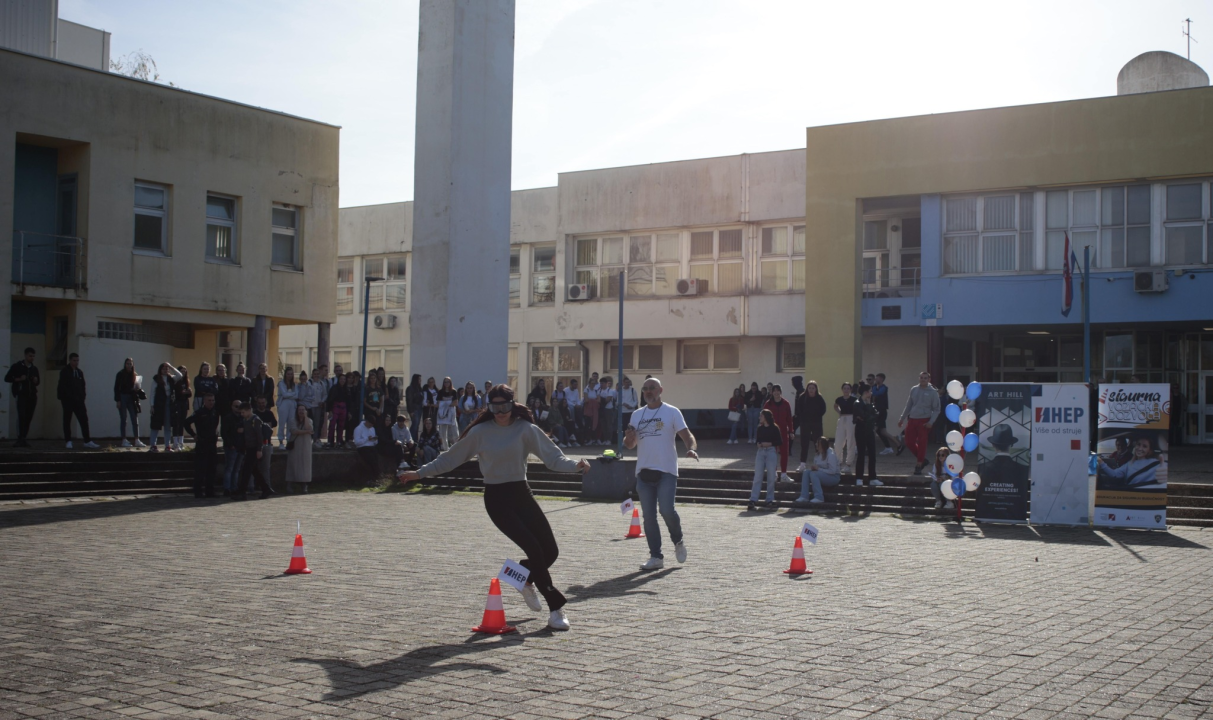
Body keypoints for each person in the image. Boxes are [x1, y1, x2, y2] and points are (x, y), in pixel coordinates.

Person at [399, 384, 591, 631]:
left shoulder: (526, 429)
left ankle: (521, 577)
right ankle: (556, 609)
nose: (501, 412)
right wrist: (419, 473)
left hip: (521, 493)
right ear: (488, 407)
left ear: (513, 405)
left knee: (550, 551)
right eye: (495, 407)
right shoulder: (480, 432)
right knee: (533, 547)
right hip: (496, 499)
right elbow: (450, 458)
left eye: (505, 406)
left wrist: (577, 465)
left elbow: (554, 458)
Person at [624, 377, 697, 571]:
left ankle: (678, 540)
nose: (648, 391)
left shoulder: (672, 412)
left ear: (660, 390)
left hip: (666, 471)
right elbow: (630, 445)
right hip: (644, 473)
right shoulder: (636, 415)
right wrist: (628, 439)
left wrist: (691, 448)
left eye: (652, 388)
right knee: (649, 516)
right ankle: (656, 557)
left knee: (666, 510)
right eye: (645, 389)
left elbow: (687, 435)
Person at [898, 370, 941, 474]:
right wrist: (902, 418)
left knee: (922, 443)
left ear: (929, 380)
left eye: (925, 378)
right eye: (921, 377)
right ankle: (923, 460)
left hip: (924, 421)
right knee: (909, 442)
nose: (923, 379)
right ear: (919, 378)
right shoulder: (914, 389)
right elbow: (908, 405)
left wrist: (931, 422)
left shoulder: (933, 392)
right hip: (912, 419)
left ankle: (919, 463)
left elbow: (936, 409)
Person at [57, 353, 98, 449]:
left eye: (77, 360)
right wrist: (65, 398)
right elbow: (62, 386)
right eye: (74, 360)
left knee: (84, 420)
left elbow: (83, 386)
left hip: (79, 401)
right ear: (70, 360)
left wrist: (82, 397)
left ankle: (87, 440)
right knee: (67, 420)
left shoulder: (79, 372)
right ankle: (68, 441)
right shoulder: (65, 371)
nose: (76, 362)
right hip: (68, 401)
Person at [183, 394, 220, 498]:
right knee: (200, 469)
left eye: (213, 400)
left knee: (212, 469)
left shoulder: (215, 412)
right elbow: (186, 423)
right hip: (202, 443)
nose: (211, 402)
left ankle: (210, 491)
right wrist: (194, 435)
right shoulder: (199, 412)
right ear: (204, 401)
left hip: (212, 444)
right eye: (209, 400)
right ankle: (198, 491)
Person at [234, 402, 271, 500]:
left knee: (246, 471)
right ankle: (266, 489)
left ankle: (242, 492)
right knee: (254, 470)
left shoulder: (255, 420)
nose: (242, 414)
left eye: (243, 412)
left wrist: (259, 449)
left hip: (254, 448)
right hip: (249, 447)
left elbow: (259, 436)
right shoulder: (246, 419)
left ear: (249, 410)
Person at [1098, 434, 1163, 488]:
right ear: (1135, 446)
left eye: (1144, 446)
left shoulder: (1156, 463)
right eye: (1138, 444)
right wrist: (1101, 462)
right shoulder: (1129, 464)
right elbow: (1114, 474)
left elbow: (1162, 473)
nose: (1140, 448)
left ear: (1149, 450)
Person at [5, 347, 40, 447]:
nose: (32, 358)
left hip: (32, 395)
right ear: (25, 355)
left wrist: (35, 381)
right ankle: (20, 437)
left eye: (33, 356)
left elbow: (38, 382)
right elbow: (7, 378)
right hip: (21, 395)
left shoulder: (34, 368)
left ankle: (24, 437)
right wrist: (18, 379)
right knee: (21, 416)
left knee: (28, 417)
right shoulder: (17, 366)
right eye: (30, 356)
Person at [748, 409, 782, 511]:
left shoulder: (775, 428)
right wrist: (758, 444)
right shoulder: (760, 428)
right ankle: (753, 499)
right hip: (761, 452)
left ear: (766, 417)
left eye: (761, 416)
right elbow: (758, 440)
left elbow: (779, 441)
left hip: (771, 451)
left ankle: (770, 499)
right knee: (758, 475)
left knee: (771, 476)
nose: (760, 418)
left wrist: (770, 444)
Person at [794, 436, 841, 506]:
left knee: (814, 474)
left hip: (834, 477)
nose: (816, 445)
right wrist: (814, 468)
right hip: (823, 474)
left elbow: (833, 471)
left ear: (822, 445)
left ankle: (819, 497)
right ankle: (804, 496)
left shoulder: (831, 455)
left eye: (818, 444)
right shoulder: (818, 454)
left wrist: (818, 469)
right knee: (806, 472)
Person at [852, 384, 883, 486]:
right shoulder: (857, 403)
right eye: (870, 391)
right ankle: (859, 477)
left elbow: (876, 415)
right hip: (860, 430)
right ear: (866, 392)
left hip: (869, 430)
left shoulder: (870, 403)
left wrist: (869, 410)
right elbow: (864, 416)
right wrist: (868, 415)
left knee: (872, 454)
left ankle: (872, 477)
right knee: (861, 454)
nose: (871, 393)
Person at [763, 384, 794, 483]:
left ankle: (784, 474)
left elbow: (789, 419)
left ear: (780, 391)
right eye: (774, 391)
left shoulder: (786, 403)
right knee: (772, 453)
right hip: (772, 432)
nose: (776, 392)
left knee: (784, 453)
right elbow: (763, 418)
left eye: (778, 390)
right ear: (771, 392)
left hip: (784, 431)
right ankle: (774, 474)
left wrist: (791, 431)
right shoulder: (768, 404)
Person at [149, 363, 182, 452]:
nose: (165, 370)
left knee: (168, 425)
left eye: (167, 369)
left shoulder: (171, 379)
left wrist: (171, 366)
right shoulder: (156, 379)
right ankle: (153, 445)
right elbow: (152, 393)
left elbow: (180, 375)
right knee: (155, 425)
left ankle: (167, 446)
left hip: (169, 403)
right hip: (159, 404)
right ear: (160, 370)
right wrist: (152, 405)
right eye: (163, 369)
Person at [794, 380, 826, 470]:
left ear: (816, 389)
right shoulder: (802, 397)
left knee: (818, 443)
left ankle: (819, 463)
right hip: (805, 423)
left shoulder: (819, 398)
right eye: (809, 388)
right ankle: (802, 464)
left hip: (816, 423)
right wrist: (802, 419)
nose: (811, 390)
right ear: (807, 389)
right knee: (804, 444)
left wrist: (816, 416)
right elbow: (798, 410)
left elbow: (823, 409)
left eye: (813, 388)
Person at [113, 358, 145, 447]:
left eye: (130, 364)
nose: (129, 365)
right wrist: (118, 400)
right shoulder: (120, 374)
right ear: (125, 364)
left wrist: (137, 388)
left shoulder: (134, 375)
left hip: (132, 398)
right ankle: (124, 439)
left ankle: (136, 439)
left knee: (134, 418)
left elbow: (137, 387)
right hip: (123, 396)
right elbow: (116, 388)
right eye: (127, 364)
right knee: (124, 419)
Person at [870, 373, 902, 455]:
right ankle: (898, 445)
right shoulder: (874, 387)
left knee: (873, 429)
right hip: (876, 411)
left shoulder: (884, 388)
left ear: (881, 379)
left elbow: (876, 394)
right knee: (883, 432)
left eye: (877, 378)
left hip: (881, 412)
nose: (875, 380)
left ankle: (869, 449)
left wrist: (871, 391)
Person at [286, 405, 314, 493]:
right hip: (295, 445)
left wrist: (305, 417)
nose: (301, 411)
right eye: (300, 410)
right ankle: (289, 485)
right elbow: (294, 431)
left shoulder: (309, 420)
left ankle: (304, 486)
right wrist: (306, 432)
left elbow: (308, 427)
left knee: (305, 465)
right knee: (293, 464)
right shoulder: (292, 420)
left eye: (303, 410)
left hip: (305, 446)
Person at [220, 399, 244, 496]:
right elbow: (224, 433)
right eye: (236, 406)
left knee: (237, 469)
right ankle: (227, 488)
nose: (238, 409)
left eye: (240, 406)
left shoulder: (243, 418)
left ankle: (234, 488)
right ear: (232, 407)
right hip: (231, 447)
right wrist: (230, 444)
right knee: (229, 468)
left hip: (241, 447)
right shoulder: (228, 418)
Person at [833, 382, 858, 474]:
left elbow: (858, 408)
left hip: (851, 420)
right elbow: (835, 406)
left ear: (850, 390)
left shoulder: (854, 399)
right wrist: (839, 412)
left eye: (848, 388)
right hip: (842, 418)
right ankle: (838, 462)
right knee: (838, 442)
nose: (846, 390)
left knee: (851, 441)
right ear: (842, 389)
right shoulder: (839, 399)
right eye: (844, 388)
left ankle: (848, 464)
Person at [326, 373, 350, 447]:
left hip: (344, 408)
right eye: (341, 379)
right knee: (332, 424)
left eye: (344, 379)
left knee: (341, 425)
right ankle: (330, 441)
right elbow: (329, 399)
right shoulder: (334, 388)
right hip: (335, 407)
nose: (342, 380)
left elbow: (349, 401)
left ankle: (339, 441)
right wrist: (330, 410)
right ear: (338, 380)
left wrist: (349, 412)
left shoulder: (347, 389)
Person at [171, 366, 192, 451]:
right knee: (176, 423)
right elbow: (179, 392)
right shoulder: (176, 381)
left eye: (184, 371)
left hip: (184, 403)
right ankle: (175, 443)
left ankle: (181, 442)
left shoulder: (186, 381)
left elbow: (189, 393)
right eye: (181, 371)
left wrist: (186, 392)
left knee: (182, 423)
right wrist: (185, 392)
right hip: (177, 403)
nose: (183, 373)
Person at [276, 367, 298, 447]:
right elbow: (284, 394)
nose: (290, 376)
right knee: (282, 423)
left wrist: (290, 395)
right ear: (285, 374)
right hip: (283, 403)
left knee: (290, 422)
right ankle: (281, 441)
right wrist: (292, 394)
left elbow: (297, 395)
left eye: (291, 374)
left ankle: (289, 440)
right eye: (288, 374)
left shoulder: (294, 384)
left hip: (292, 404)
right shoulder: (281, 383)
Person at [435, 377, 459, 450]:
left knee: (454, 430)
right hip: (442, 413)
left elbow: (456, 403)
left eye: (448, 382)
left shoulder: (454, 391)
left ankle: (456, 447)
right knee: (443, 432)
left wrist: (447, 404)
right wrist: (446, 404)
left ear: (450, 382)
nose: (446, 383)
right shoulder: (440, 391)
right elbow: (438, 402)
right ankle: (445, 448)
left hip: (451, 412)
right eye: (445, 382)